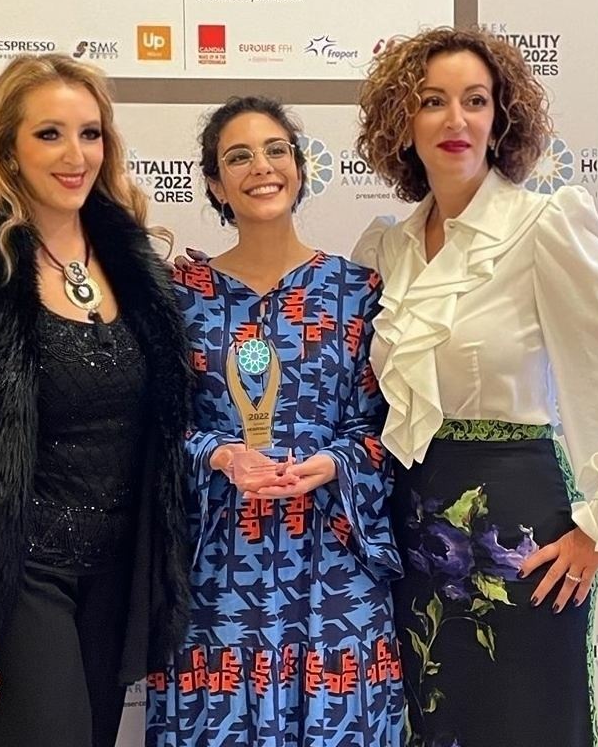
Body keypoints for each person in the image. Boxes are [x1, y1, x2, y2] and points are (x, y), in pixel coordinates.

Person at [351, 27, 598, 747]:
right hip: (411, 524)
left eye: (475, 100)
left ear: (501, 117)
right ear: (403, 120)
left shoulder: (545, 224)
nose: (455, 120)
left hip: (518, 531)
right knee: (432, 721)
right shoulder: (387, 249)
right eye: (432, 101)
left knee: (526, 718)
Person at [0, 53, 192, 747]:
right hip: (20, 578)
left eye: (90, 134)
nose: (75, 155)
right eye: (49, 134)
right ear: (8, 150)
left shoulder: (139, 270)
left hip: (117, 582)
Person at [144, 96, 405, 747]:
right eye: (238, 157)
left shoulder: (358, 292)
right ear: (215, 185)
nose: (261, 166)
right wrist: (220, 454)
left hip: (335, 573)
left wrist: (333, 464)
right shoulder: (180, 298)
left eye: (275, 150)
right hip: (216, 574)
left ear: (299, 167)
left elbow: (388, 431)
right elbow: (154, 430)